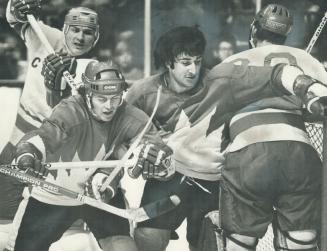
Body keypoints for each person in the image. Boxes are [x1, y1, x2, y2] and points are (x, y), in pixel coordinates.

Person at [173, 4, 327, 251]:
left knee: (239, 243)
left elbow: (201, 122)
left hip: (248, 154)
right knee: (302, 241)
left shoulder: (231, 62)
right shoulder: (307, 60)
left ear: (254, 29)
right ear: (285, 34)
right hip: (300, 153)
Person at [7, 60, 173, 251]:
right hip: (53, 195)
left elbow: (160, 154)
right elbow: (44, 136)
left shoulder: (130, 116)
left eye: (115, 98)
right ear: (88, 95)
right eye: (102, 99)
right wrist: (27, 153)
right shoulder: (70, 111)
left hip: (99, 195)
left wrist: (162, 163)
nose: (109, 106)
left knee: (124, 248)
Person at [0, 1, 100, 250]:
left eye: (88, 32)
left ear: (96, 38)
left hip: (54, 163)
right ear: (64, 29)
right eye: (75, 29)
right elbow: (14, 18)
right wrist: (16, 7)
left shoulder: (95, 71)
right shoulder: (45, 36)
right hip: (16, 148)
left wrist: (58, 90)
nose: (80, 37)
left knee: (47, 238)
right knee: (2, 224)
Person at [125, 25, 220, 251]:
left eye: (197, 61)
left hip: (211, 178)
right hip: (168, 177)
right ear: (169, 63)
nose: (194, 70)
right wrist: (140, 150)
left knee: (211, 244)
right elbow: (120, 130)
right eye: (186, 62)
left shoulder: (218, 84)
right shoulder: (143, 92)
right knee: (147, 238)